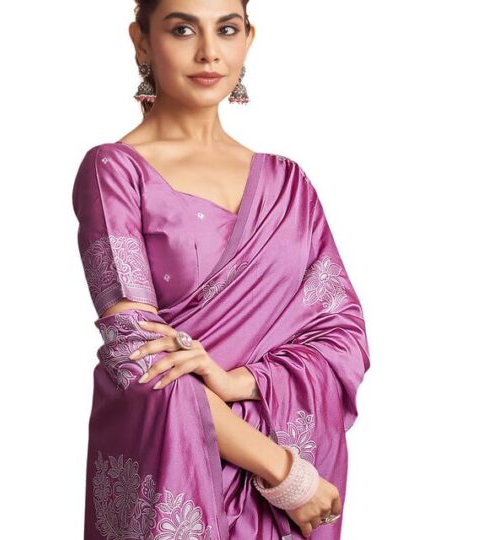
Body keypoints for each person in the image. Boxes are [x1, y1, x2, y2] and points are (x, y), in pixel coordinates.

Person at [72, 1, 371, 538]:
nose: (209, 52)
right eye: (183, 29)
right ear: (141, 41)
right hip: (179, 464)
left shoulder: (288, 185)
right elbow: (138, 354)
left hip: (277, 481)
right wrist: (288, 476)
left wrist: (240, 381)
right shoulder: (114, 170)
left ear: (248, 40)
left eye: (227, 29)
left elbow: (342, 334)